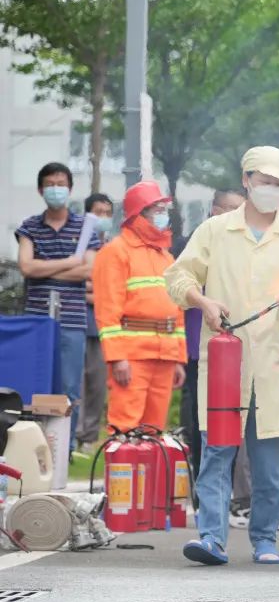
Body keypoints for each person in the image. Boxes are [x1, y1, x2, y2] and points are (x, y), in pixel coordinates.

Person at [166, 146, 279, 567]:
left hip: (274, 363)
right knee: (217, 451)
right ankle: (212, 539)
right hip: (224, 361)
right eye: (264, 181)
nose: (271, 189)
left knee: (269, 462)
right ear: (246, 180)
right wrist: (203, 301)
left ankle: (265, 539)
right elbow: (178, 276)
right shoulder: (215, 230)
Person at [16, 163, 101, 456]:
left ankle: (63, 450)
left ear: (70, 189)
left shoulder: (84, 227)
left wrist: (46, 268)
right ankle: (34, 449)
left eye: (61, 184)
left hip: (72, 319)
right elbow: (26, 267)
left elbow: (88, 271)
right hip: (37, 320)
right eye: (50, 184)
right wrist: (69, 263)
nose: (56, 189)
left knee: (69, 388)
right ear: (41, 190)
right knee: (36, 385)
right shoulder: (29, 227)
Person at [92, 182, 187, 433]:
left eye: (163, 209)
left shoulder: (165, 257)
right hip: (132, 357)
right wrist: (117, 358)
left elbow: (177, 312)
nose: (163, 215)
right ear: (138, 214)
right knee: (125, 428)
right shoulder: (115, 253)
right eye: (157, 209)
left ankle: (149, 463)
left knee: (154, 431)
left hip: (165, 356)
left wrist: (178, 359)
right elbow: (107, 311)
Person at [181, 189, 246, 486]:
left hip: (238, 351)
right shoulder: (197, 245)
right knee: (202, 424)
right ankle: (202, 488)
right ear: (215, 211)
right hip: (201, 349)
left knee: (233, 424)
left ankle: (227, 489)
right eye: (232, 208)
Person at [77, 193, 114, 450]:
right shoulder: (79, 247)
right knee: (77, 382)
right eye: (98, 212)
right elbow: (76, 285)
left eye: (107, 213)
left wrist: (96, 290)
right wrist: (97, 291)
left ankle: (89, 437)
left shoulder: (113, 249)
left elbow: (116, 288)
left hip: (105, 325)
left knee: (98, 383)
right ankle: (74, 433)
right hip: (79, 320)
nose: (103, 217)